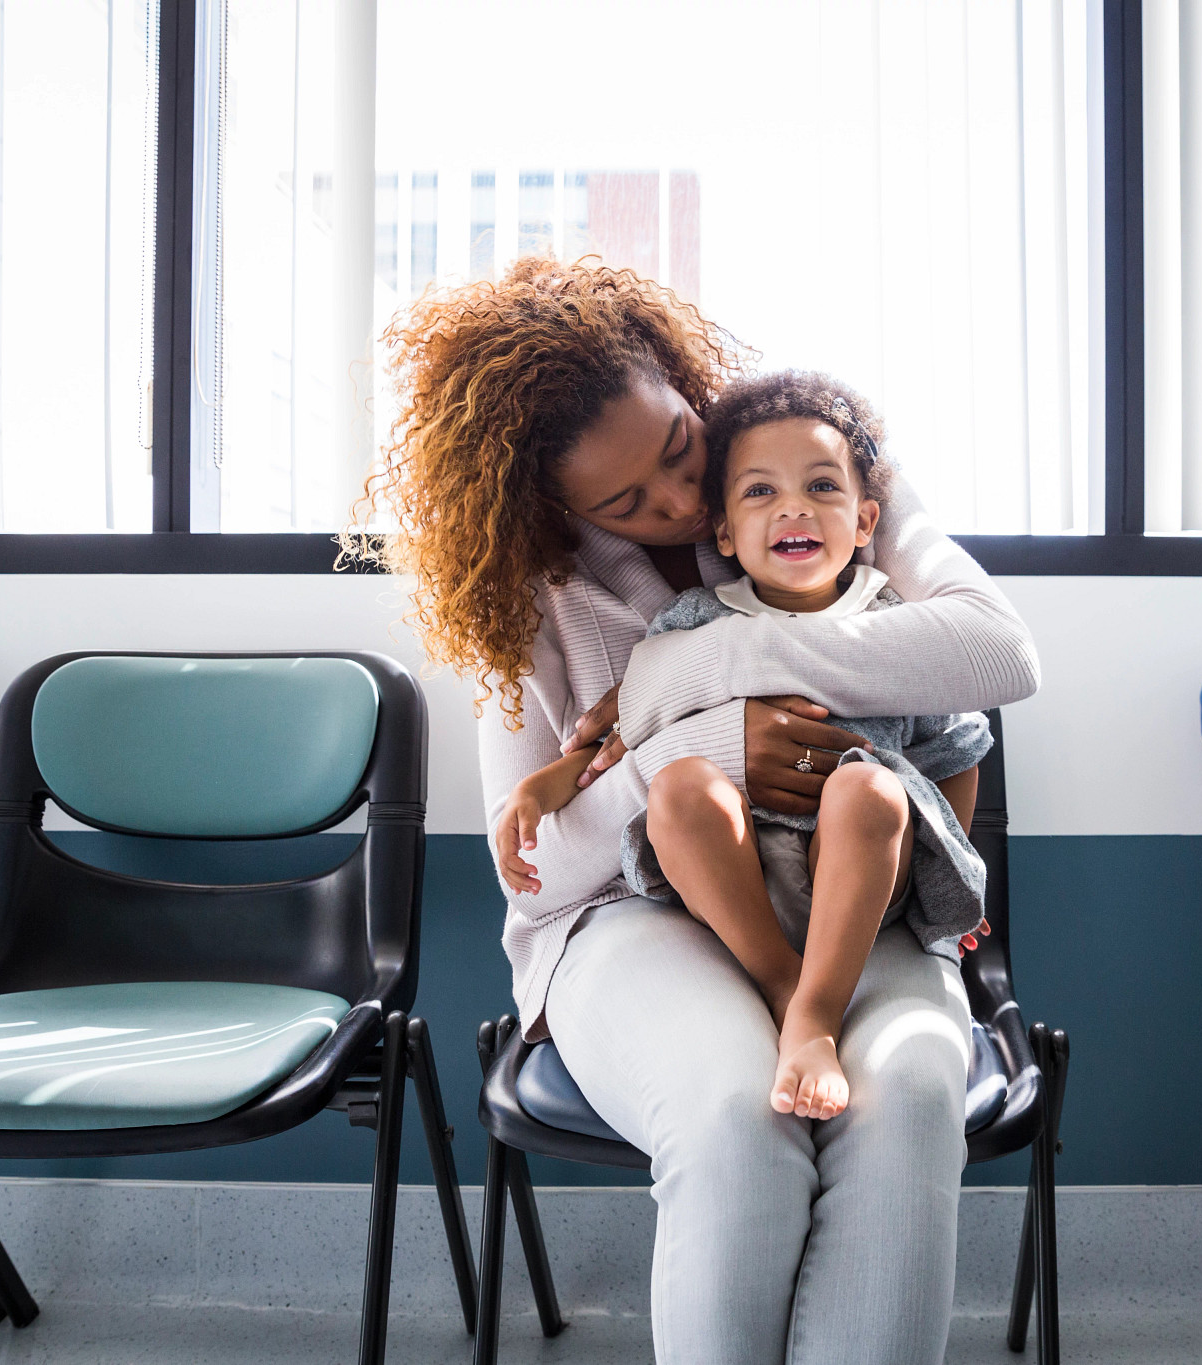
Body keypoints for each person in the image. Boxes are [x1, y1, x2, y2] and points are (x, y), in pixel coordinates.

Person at [355, 257, 1040, 1365]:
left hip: (845, 894)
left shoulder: (812, 478)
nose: (676, 502)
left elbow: (996, 657)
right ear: (556, 509)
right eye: (624, 502)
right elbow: (540, 865)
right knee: (736, 1118)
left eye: (679, 451)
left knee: (910, 1096)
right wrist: (709, 745)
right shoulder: (530, 593)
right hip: (623, 919)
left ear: (686, 388)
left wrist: (697, 666)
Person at [499, 371, 994, 1123]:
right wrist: (545, 786)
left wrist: (949, 871)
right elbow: (623, 731)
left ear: (866, 520)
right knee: (682, 783)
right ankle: (782, 987)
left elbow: (956, 747)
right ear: (727, 533)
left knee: (866, 789)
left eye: (820, 488)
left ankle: (816, 1016)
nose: (793, 505)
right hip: (732, 880)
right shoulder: (694, 619)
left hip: (856, 871)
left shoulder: (893, 614)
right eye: (760, 493)